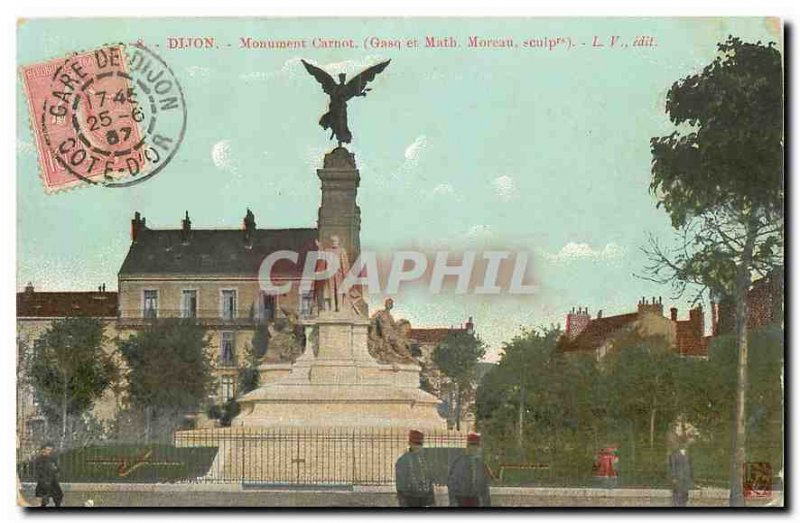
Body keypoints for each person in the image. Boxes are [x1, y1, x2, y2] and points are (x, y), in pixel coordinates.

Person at [447, 433, 492, 507]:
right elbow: (452, 483)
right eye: (471, 445)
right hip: (461, 499)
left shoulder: (481, 464)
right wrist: (453, 501)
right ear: (467, 447)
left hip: (475, 499)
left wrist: (487, 502)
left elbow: (484, 485)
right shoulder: (459, 462)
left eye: (476, 446)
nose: (474, 448)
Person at [395, 430, 435, 507]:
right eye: (416, 443)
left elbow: (429, 478)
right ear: (410, 443)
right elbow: (401, 484)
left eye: (419, 444)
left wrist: (431, 499)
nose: (418, 446)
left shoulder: (425, 459)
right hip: (410, 497)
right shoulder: (404, 460)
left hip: (423, 497)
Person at [34, 443, 63, 508]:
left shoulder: (52, 458)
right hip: (44, 481)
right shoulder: (39, 459)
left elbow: (58, 468)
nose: (48, 451)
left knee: (58, 496)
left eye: (50, 450)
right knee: (45, 498)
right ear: (42, 450)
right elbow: (39, 471)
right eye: (47, 449)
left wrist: (55, 470)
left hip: (52, 481)